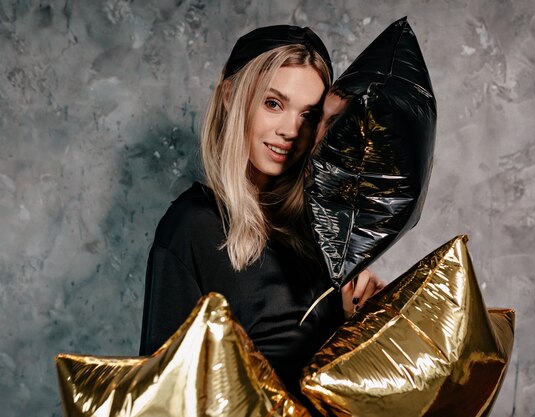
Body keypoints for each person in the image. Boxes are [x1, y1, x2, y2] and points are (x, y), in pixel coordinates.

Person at [139, 24, 384, 409]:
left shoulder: (324, 227)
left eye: (309, 115)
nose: (290, 130)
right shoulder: (192, 228)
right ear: (230, 96)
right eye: (273, 103)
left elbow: (334, 385)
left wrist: (360, 323)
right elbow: (163, 398)